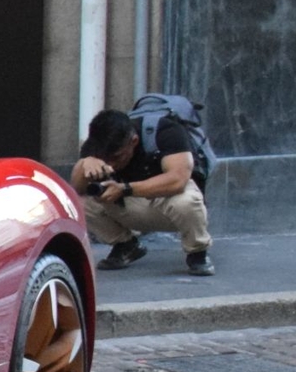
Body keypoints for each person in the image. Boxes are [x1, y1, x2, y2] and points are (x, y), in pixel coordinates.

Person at [69, 106, 213, 277]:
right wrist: (85, 163)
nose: (112, 165)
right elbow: (77, 189)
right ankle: (126, 246)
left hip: (168, 204)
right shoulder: (97, 144)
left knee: (185, 200)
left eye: (117, 157)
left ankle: (197, 252)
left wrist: (126, 189)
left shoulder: (166, 131)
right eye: (105, 158)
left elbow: (178, 180)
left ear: (134, 141)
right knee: (77, 201)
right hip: (130, 206)